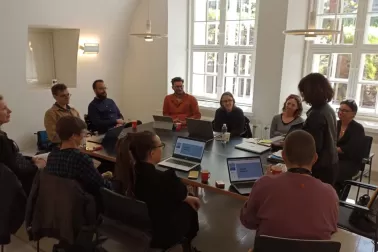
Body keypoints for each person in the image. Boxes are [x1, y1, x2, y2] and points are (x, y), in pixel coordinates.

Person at [240, 130, 338, 240]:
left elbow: (248, 221)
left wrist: (266, 181)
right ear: (315, 158)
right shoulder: (330, 193)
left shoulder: (264, 184)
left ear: (283, 156)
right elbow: (331, 230)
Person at [115, 131, 200, 251]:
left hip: (139, 225)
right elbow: (179, 193)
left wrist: (185, 197)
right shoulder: (166, 179)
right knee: (190, 205)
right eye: (161, 146)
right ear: (152, 152)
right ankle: (188, 244)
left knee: (187, 199)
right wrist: (188, 196)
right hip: (161, 233)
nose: (162, 148)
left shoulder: (130, 174)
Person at [45, 116, 112, 197]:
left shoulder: (52, 156)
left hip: (62, 201)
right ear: (73, 136)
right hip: (85, 203)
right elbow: (102, 186)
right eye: (83, 133)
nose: (85, 136)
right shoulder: (81, 158)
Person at [298, 73, 338, 185]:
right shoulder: (328, 109)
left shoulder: (316, 114)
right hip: (331, 163)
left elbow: (314, 146)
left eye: (303, 91)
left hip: (319, 167)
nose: (302, 95)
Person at [0, 95, 44, 195]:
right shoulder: (2, 141)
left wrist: (30, 159)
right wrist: (37, 167)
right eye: (4, 109)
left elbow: (10, 157)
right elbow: (16, 169)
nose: (10, 111)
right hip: (15, 190)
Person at [336, 99, 365, 193]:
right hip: (334, 157)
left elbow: (352, 149)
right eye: (340, 109)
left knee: (335, 170)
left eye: (345, 110)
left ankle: (339, 197)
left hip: (350, 161)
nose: (341, 112)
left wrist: (335, 149)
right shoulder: (334, 124)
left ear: (353, 113)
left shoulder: (358, 128)